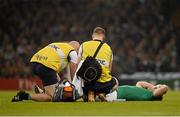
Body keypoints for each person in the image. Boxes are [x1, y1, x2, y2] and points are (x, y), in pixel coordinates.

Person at [12, 41, 80, 102]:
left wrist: (59, 82)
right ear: (77, 49)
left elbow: (54, 71)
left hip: (34, 62)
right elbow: (72, 67)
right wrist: (74, 83)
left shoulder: (57, 44)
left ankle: (42, 92)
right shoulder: (72, 51)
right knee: (51, 97)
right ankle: (24, 96)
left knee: (56, 87)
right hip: (46, 66)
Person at [73, 27, 118, 102]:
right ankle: (103, 93)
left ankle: (91, 93)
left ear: (92, 35)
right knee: (115, 81)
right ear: (103, 36)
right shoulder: (108, 48)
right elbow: (109, 70)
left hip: (87, 83)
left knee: (89, 77)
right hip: (104, 84)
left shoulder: (84, 45)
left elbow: (77, 65)